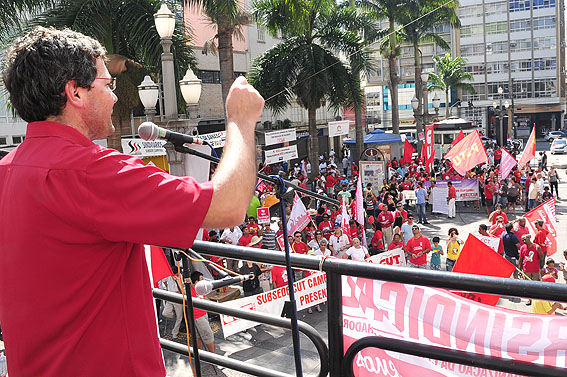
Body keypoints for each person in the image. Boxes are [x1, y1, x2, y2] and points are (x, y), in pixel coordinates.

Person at [0, 27, 263, 377]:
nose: (115, 97)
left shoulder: (8, 168)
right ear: (75, 92)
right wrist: (241, 122)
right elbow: (228, 205)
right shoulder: (91, 171)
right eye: (107, 85)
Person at [190, 272, 216, 353]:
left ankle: (200, 353)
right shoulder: (190, 290)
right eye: (202, 279)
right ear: (196, 282)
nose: (204, 281)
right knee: (208, 335)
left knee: (198, 336)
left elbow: (205, 298)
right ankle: (213, 355)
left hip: (203, 314)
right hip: (198, 316)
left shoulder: (200, 289)